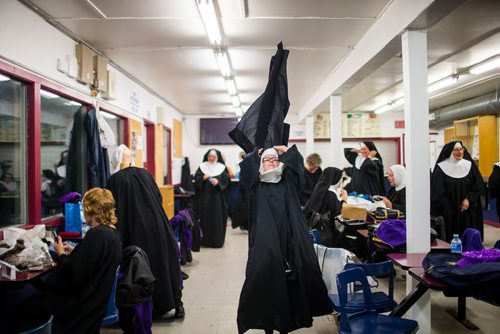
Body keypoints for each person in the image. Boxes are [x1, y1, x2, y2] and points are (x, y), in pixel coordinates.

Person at [237, 146, 332, 333]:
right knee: (264, 276)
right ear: (261, 163)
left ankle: (286, 321)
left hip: (288, 237)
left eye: (274, 159)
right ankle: (266, 322)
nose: (271, 162)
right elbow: (246, 171)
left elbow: (299, 170)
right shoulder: (255, 184)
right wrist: (255, 153)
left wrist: (289, 151)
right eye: (267, 159)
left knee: (289, 279)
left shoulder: (287, 181)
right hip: (264, 240)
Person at [7, 187, 122, 333]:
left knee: (19, 312)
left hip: (79, 306)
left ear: (90, 210)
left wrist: (61, 253)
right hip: (94, 303)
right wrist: (78, 251)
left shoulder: (97, 235)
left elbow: (73, 274)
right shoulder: (112, 233)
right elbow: (96, 260)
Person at [106, 144, 184, 320]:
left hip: (134, 231)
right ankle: (173, 302)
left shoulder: (114, 180)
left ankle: (148, 306)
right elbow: (158, 196)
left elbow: (112, 209)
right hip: (158, 226)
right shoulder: (146, 174)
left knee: (142, 267)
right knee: (163, 263)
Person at [431, 141, 484, 241]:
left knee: (467, 237)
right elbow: (437, 192)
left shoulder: (469, 166)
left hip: (466, 210)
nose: (459, 152)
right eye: (456, 150)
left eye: (461, 149)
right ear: (450, 152)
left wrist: (468, 199)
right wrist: (449, 207)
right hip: (448, 212)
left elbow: (477, 186)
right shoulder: (441, 168)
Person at [194, 149, 230, 248]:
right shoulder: (202, 167)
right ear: (207, 156)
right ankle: (205, 241)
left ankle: (217, 242)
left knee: (218, 218)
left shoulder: (222, 167)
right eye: (210, 156)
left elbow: (227, 181)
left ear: (217, 157)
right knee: (205, 218)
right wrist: (203, 178)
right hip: (205, 199)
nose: (212, 158)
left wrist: (218, 182)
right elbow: (196, 180)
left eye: (213, 156)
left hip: (218, 200)